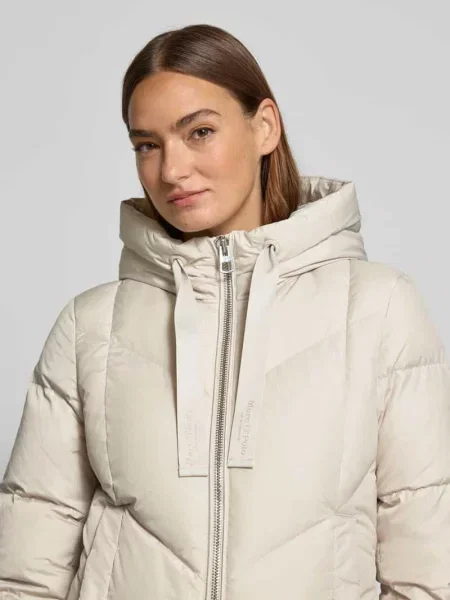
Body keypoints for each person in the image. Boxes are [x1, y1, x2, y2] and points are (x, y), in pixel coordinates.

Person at [0, 22, 449, 600]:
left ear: (265, 127)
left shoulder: (378, 310)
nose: (171, 170)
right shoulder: (91, 327)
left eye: (200, 132)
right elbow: (26, 573)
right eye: (147, 145)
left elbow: (428, 569)